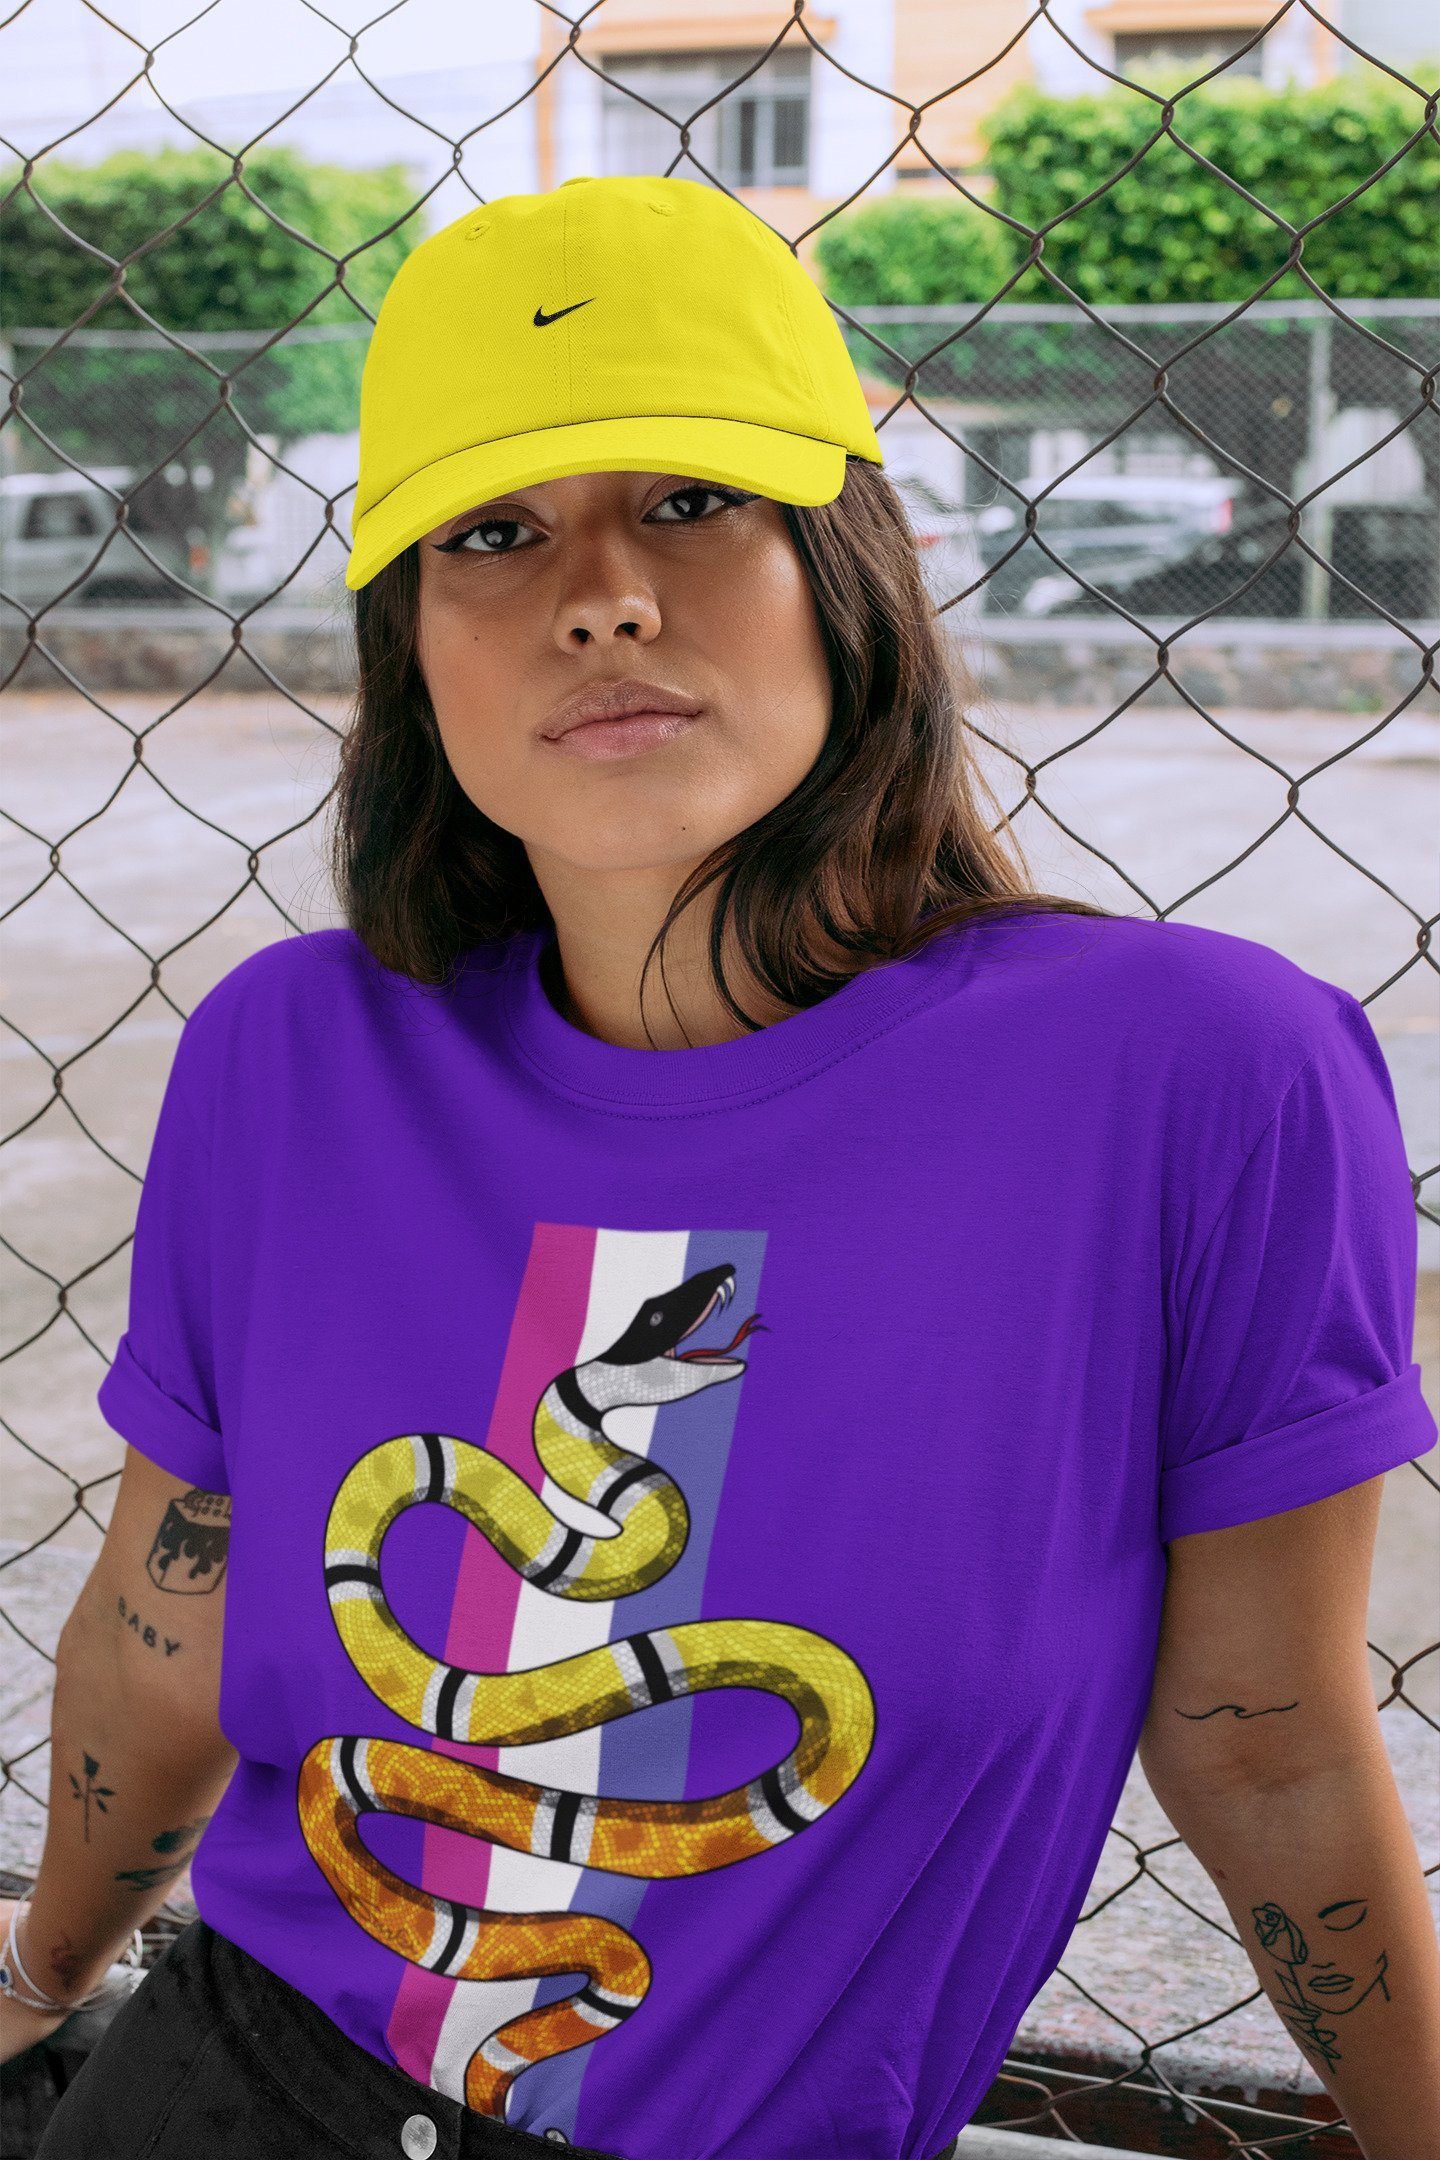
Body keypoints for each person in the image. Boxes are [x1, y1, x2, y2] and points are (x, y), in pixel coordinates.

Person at [5, 173, 1437, 2160]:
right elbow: (164, 1630)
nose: (600, 596)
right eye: (492, 532)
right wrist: (35, 1985)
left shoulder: (1198, 1079)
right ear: (412, 646)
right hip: (221, 2091)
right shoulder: (292, 1054)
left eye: (689, 499)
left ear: (850, 567)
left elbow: (1267, 1745)